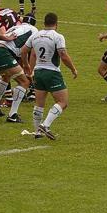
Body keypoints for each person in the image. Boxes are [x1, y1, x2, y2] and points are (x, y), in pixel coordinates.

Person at [20, 12, 77, 140]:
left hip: (38, 72)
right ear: (56, 24)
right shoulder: (57, 36)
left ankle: (37, 132)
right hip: (52, 73)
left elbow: (23, 51)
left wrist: (26, 66)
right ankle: (45, 125)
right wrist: (73, 68)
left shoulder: (35, 35)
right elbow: (63, 55)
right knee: (63, 102)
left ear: (44, 23)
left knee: (39, 104)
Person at [0, 14, 38, 123]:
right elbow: (26, 52)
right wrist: (27, 67)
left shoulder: (15, 27)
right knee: (24, 82)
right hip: (4, 53)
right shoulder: (34, 31)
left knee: (6, 77)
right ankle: (12, 115)